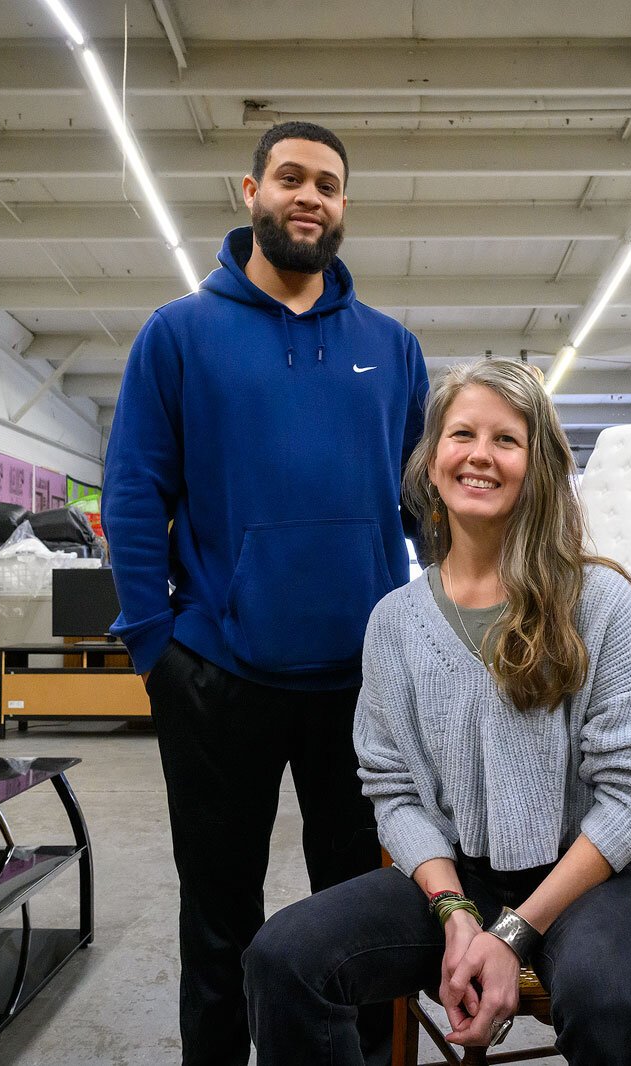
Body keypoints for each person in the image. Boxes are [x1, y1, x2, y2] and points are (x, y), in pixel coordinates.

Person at [244, 358, 631, 1065]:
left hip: (602, 875)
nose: (480, 455)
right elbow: (393, 791)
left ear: (537, 464)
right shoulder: (394, 623)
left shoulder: (602, 605)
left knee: (607, 999)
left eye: (506, 440)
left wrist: (512, 933)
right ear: (431, 462)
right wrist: (455, 912)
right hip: (463, 875)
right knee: (285, 957)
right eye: (462, 434)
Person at [101, 121, 429, 1066]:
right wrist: (155, 649)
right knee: (218, 919)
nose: (309, 196)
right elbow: (132, 495)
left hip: (362, 688)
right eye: (290, 177)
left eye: (327, 184)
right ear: (250, 193)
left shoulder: (392, 348)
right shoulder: (178, 334)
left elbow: (422, 507)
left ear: (342, 208)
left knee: (363, 916)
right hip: (218, 680)